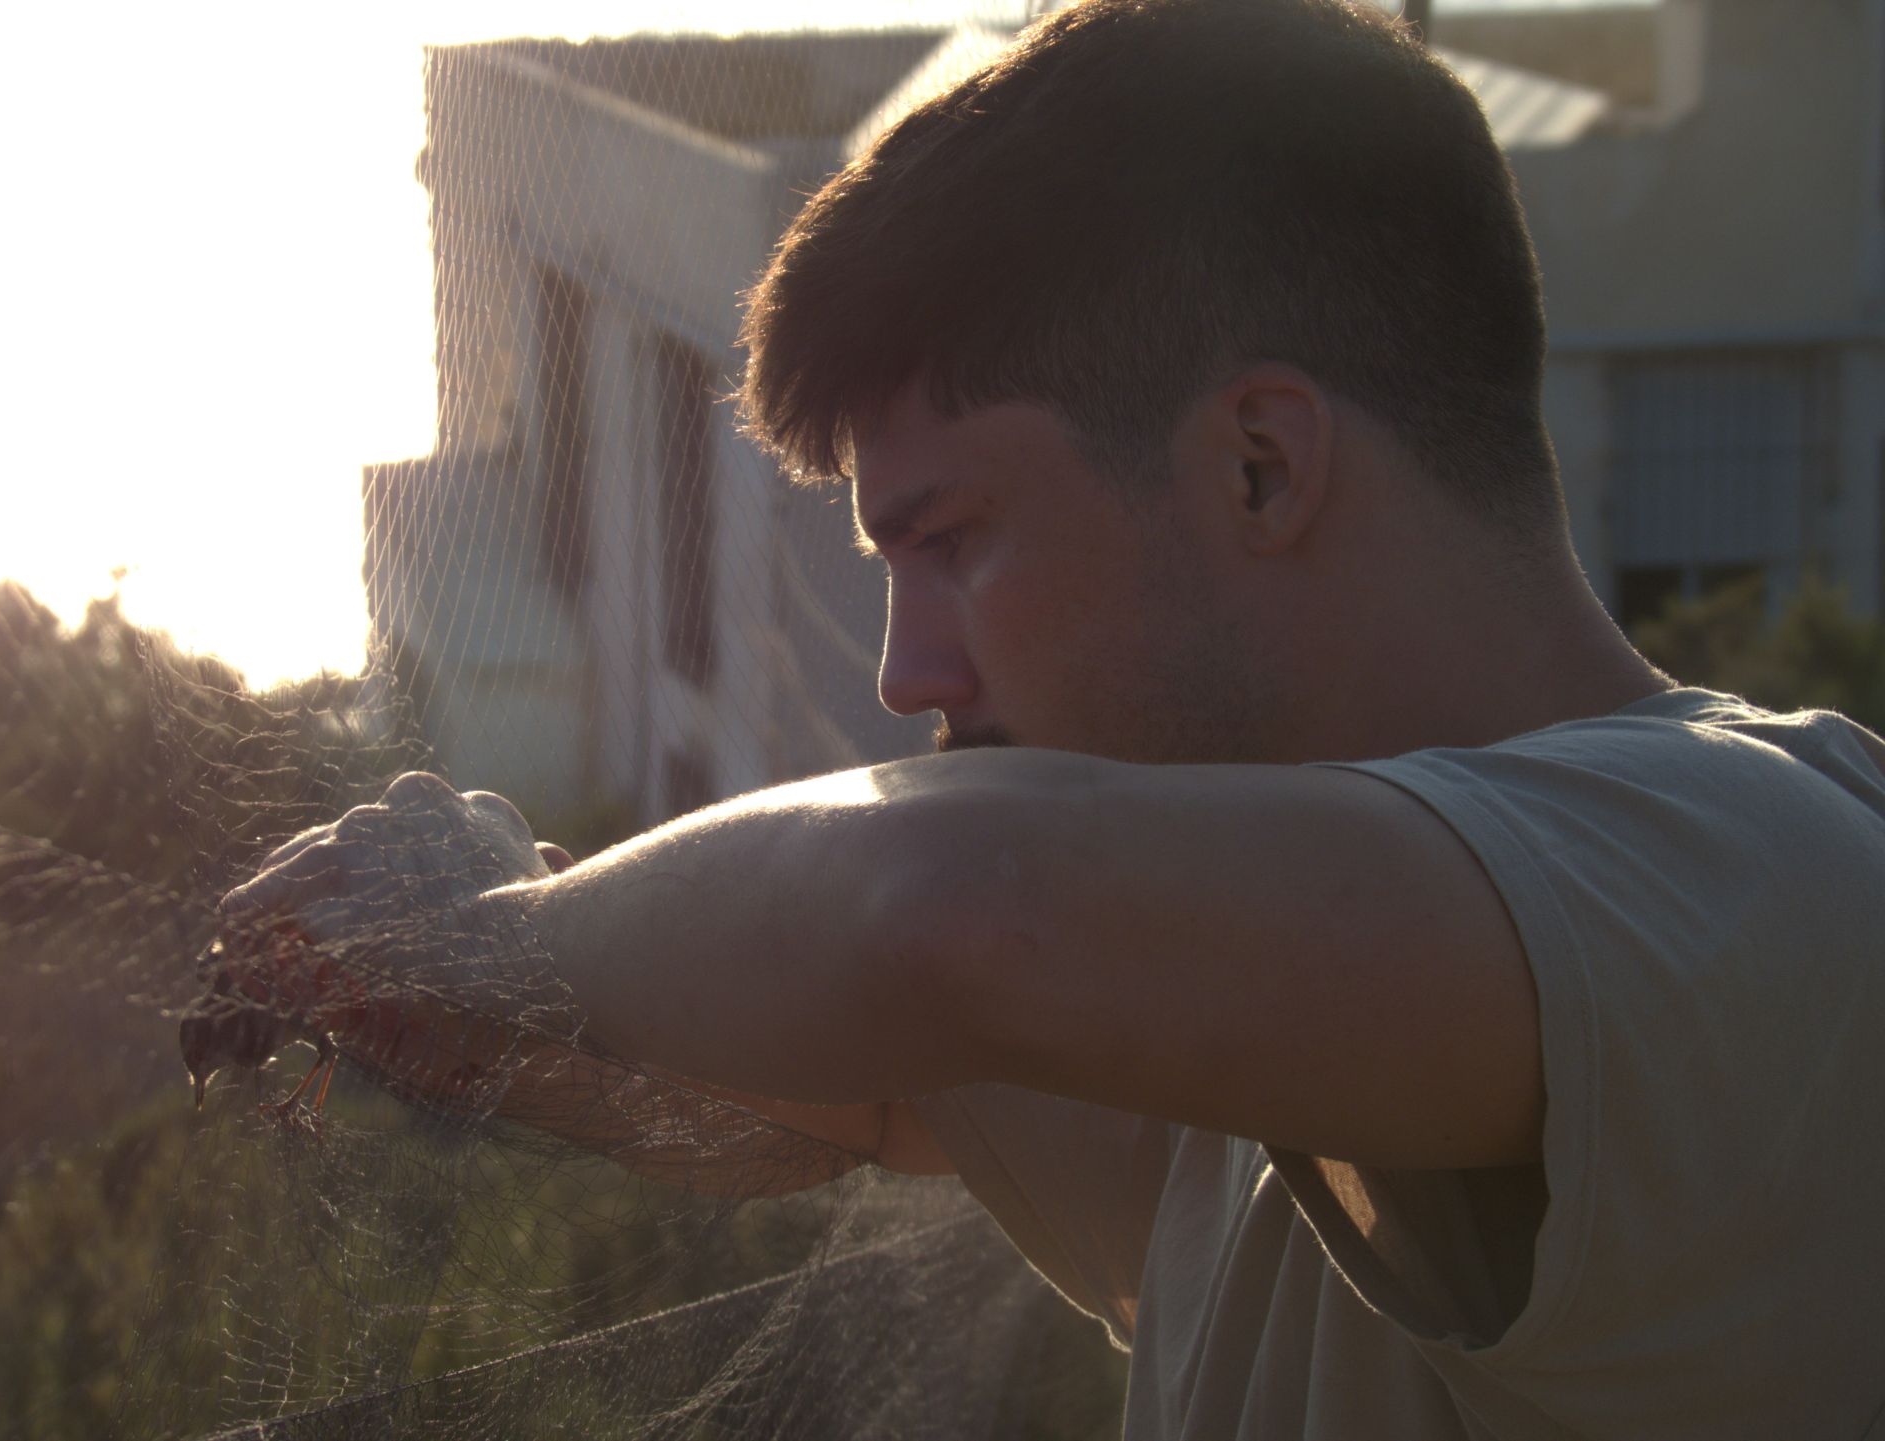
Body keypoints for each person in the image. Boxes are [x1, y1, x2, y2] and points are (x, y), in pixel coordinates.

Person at [224, 0, 1885, 1435]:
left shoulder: (1759, 882)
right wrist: (481, 992)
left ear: (1261, 464)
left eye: (948, 541)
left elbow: (947, 912)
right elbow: (858, 1085)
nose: (907, 669)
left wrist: (500, 930)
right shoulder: (1265, 1035)